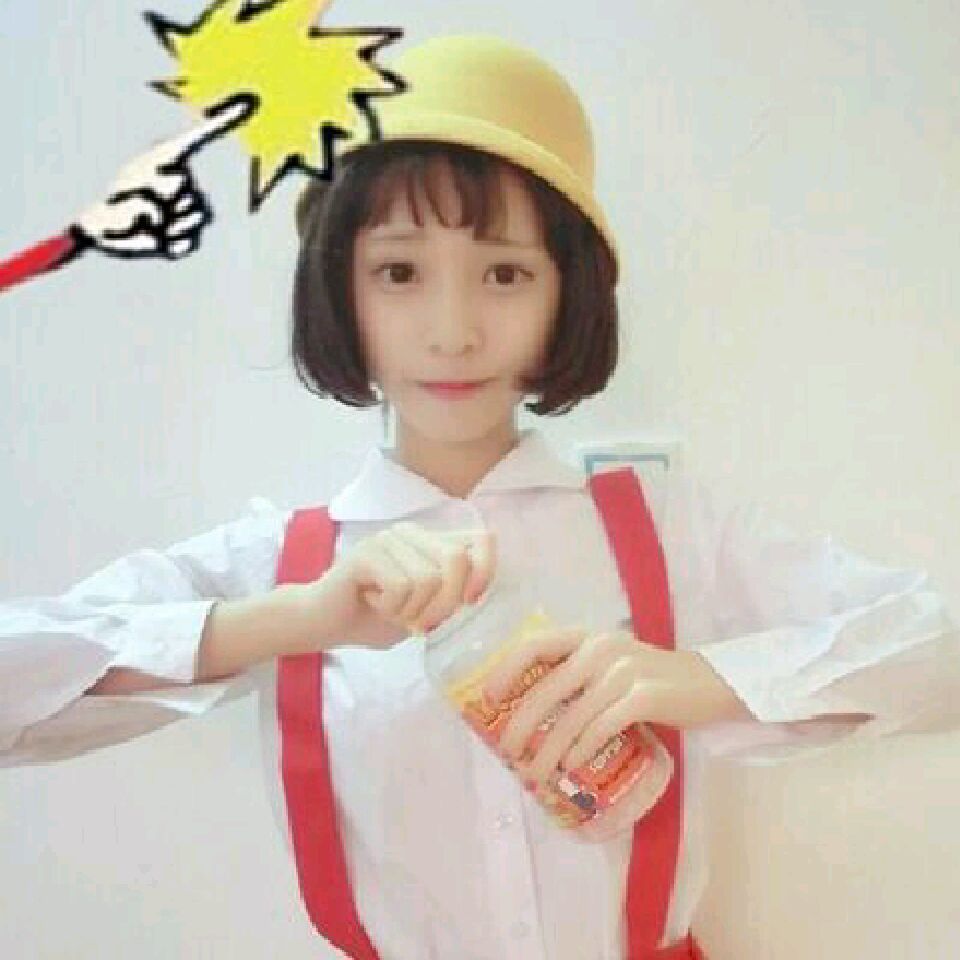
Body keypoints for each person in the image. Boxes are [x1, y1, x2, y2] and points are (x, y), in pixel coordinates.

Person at [2, 33, 959, 960]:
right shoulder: (279, 567)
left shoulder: (665, 528)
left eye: (505, 272)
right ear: (339, 290)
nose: (452, 330)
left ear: (565, 293)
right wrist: (289, 621)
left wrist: (698, 681)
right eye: (399, 272)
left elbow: (940, 652)